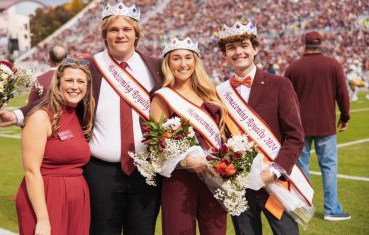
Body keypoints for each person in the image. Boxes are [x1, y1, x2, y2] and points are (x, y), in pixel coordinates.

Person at [0, 2, 162, 235]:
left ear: (137, 33)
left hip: (146, 171)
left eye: (126, 29)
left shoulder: (155, 66)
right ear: (105, 34)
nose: (120, 34)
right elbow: (57, 97)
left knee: (143, 231)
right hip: (100, 172)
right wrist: (17, 114)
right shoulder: (90, 66)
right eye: (113, 30)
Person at [215, 20, 306, 235]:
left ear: (255, 48)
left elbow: (295, 136)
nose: (239, 52)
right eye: (231, 48)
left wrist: (274, 172)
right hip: (240, 185)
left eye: (244, 46)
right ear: (224, 55)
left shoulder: (280, 85)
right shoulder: (220, 92)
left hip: (274, 182)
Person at [150, 37, 228, 235]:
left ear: (196, 62)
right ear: (168, 63)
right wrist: (184, 160)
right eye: (176, 58)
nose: (183, 64)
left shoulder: (210, 95)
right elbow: (156, 142)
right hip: (180, 180)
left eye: (188, 58)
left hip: (214, 176)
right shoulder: (163, 97)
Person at [16, 58, 95, 235]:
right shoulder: (41, 117)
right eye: (69, 80)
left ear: (87, 87)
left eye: (80, 81)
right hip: (46, 197)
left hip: (77, 199)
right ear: (58, 83)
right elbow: (31, 170)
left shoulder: (79, 114)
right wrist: (43, 220)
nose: (75, 86)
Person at [285, 31, 351, 221]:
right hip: (326, 125)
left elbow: (285, 98)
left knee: (301, 168)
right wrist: (345, 116)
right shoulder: (333, 65)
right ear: (321, 44)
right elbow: (343, 94)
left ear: (304, 44)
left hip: (299, 127)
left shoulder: (293, 67)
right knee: (329, 167)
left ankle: (303, 207)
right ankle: (331, 210)